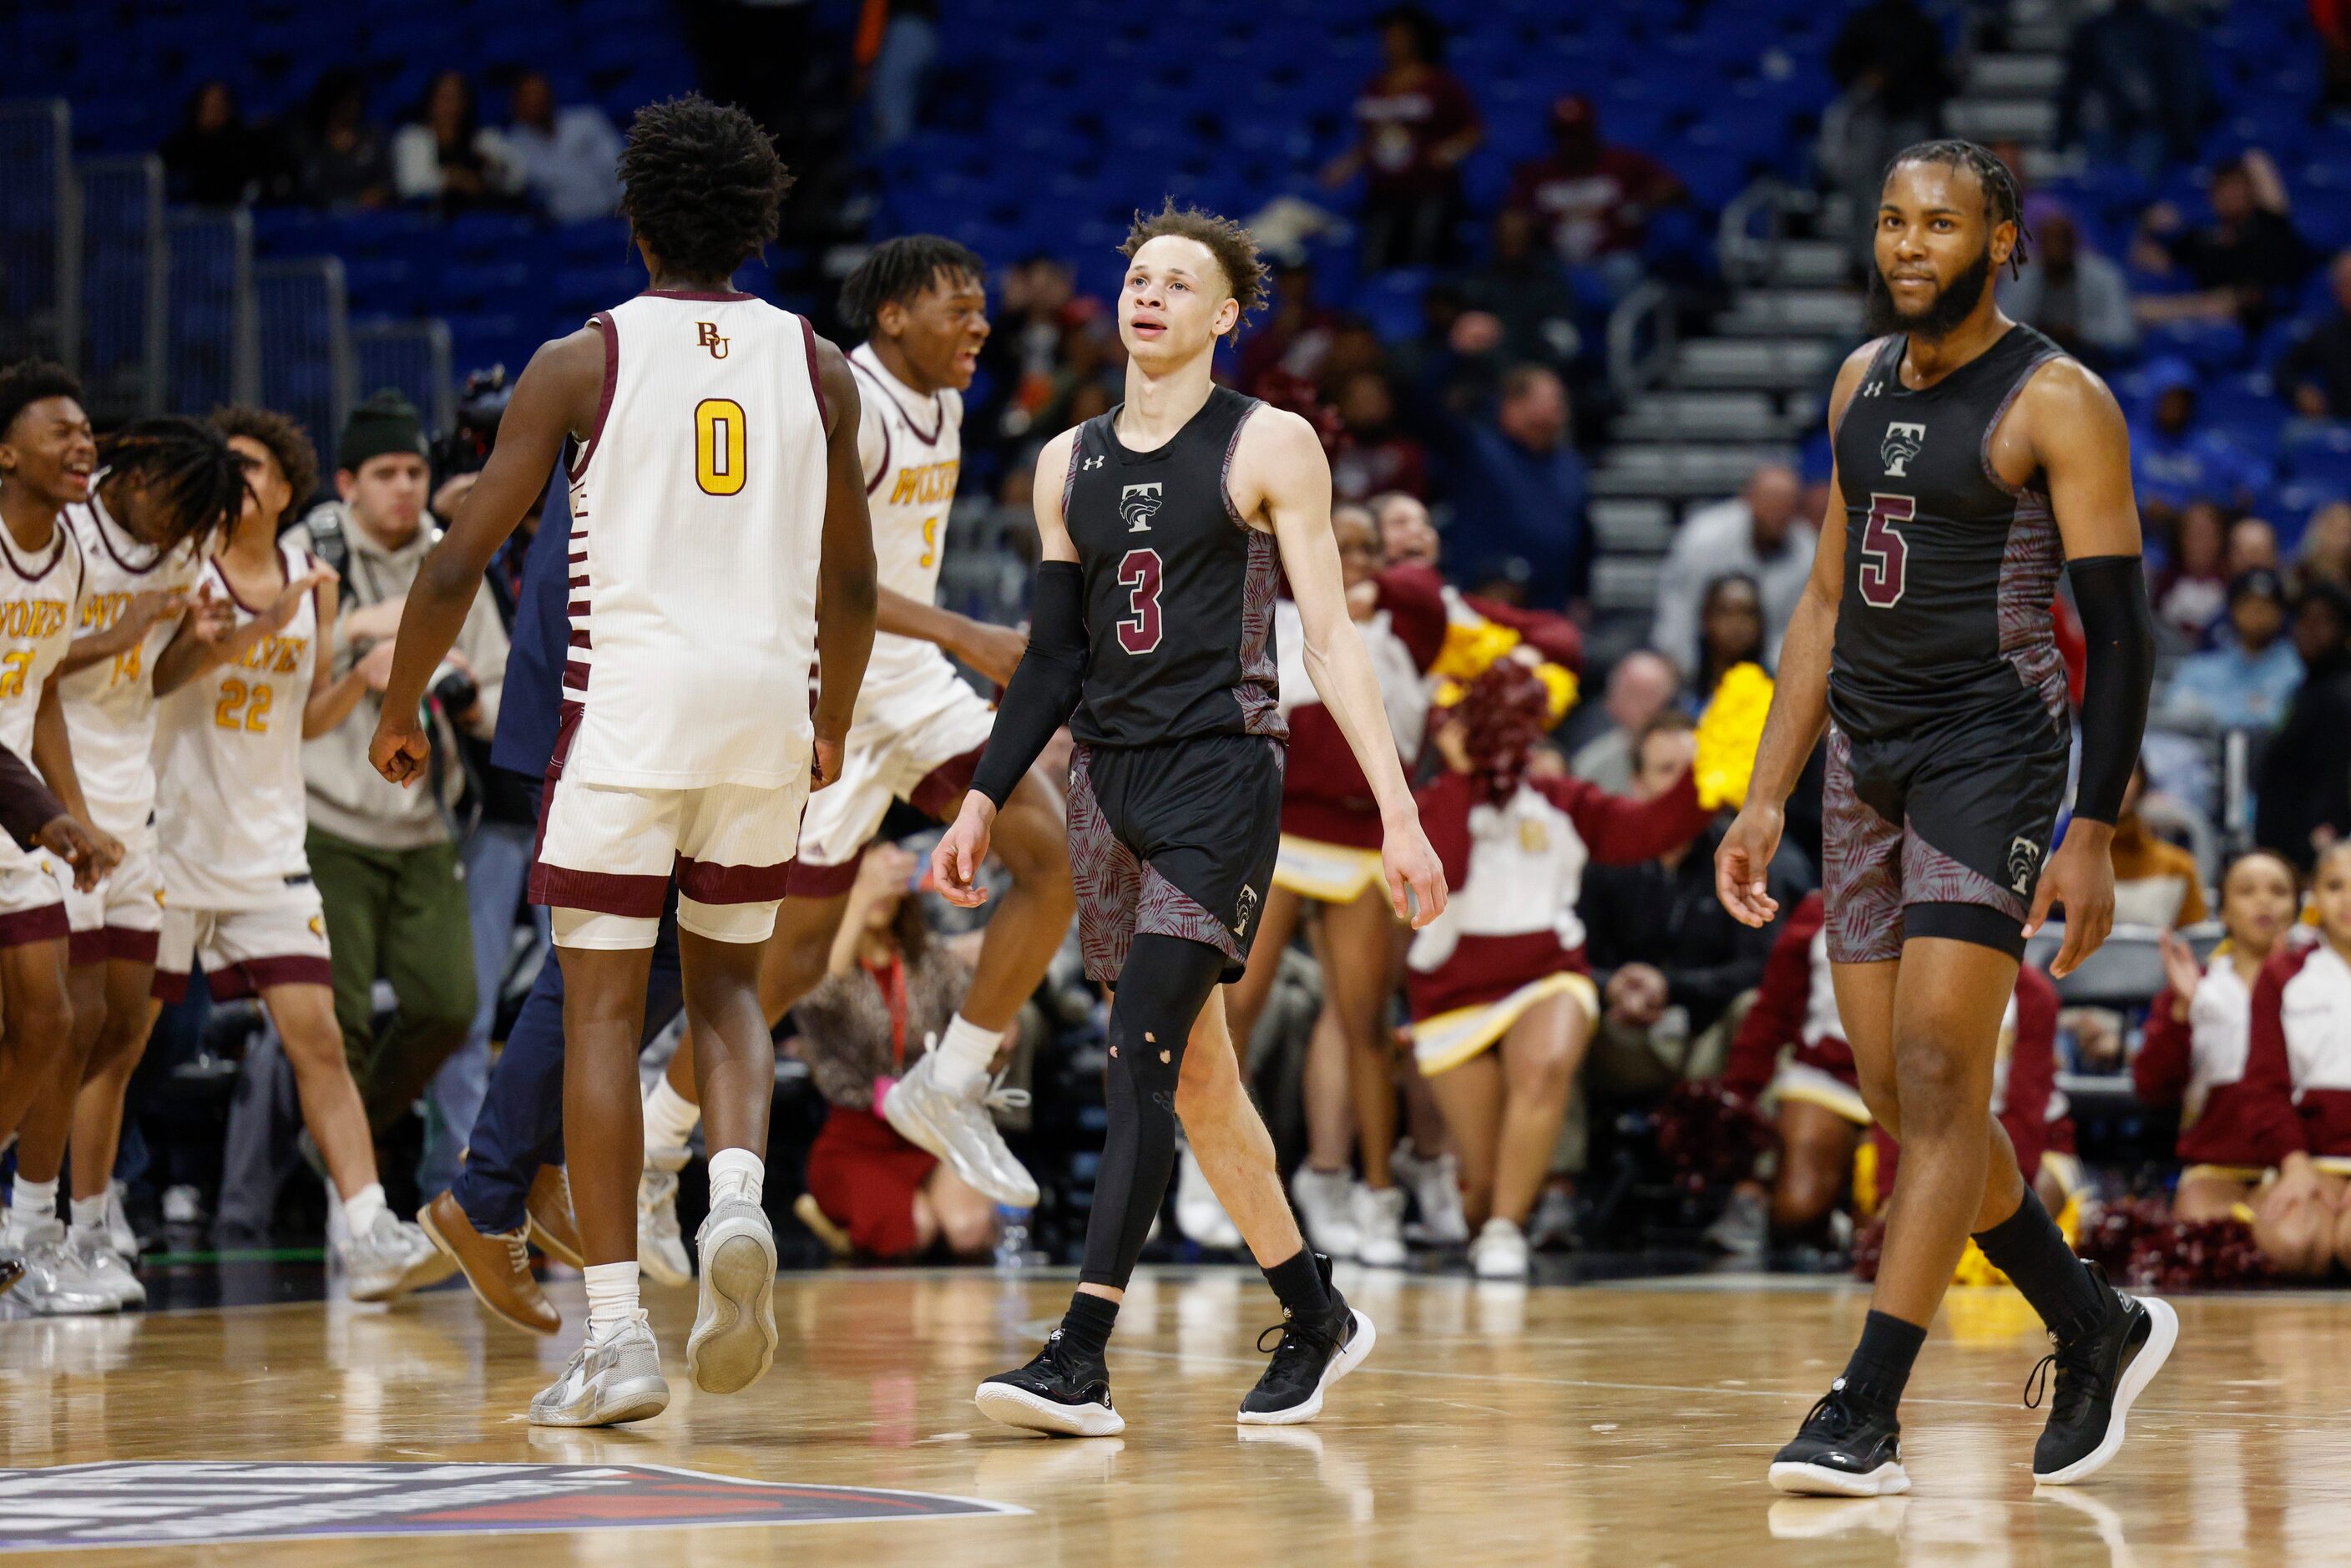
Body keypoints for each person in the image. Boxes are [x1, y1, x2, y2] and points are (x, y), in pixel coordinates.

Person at [370, 94, 877, 1426]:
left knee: (599, 1016)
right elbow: (859, 584)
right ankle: (739, 1210)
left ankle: (616, 1341)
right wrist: (832, 718)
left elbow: (456, 557)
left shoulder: (578, 360)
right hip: (768, 713)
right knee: (723, 996)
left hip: (632, 714)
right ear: (758, 224)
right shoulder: (823, 367)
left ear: (637, 217)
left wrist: (401, 702)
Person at [933, 200, 1445, 1436]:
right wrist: (981, 795)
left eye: (1178, 283)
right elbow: (1052, 663)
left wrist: (1399, 812)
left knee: (1141, 1056)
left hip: (1223, 774)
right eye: (1137, 277)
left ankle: (1082, 1353)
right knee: (1205, 1087)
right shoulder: (1066, 462)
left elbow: (1328, 636)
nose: (1147, 294)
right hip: (1109, 785)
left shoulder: (1272, 442)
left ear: (1224, 316)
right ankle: (1318, 1315)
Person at [1716, 140, 2170, 1496]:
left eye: (1941, 224)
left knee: (1935, 1072)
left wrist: (2091, 827)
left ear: (2001, 242)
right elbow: (1819, 605)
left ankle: (1865, 1407)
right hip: (1862, 757)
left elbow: (2122, 636)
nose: (1910, 244)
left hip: (1992, 755)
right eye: (1892, 221)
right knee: (1900, 1103)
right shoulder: (1858, 379)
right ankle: (2092, 1322)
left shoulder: (2059, 400)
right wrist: (1761, 792)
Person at [629, 236, 1069, 1276]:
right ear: (890, 321)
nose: (979, 325)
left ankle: (949, 1079)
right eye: (956, 308)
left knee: (1054, 852)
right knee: (780, 971)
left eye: (978, 306)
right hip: (823, 689)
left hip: (905, 687)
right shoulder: (851, 407)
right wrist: (967, 632)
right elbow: (815, 573)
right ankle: (652, 1153)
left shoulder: (949, 407)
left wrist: (946, 647)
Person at [149, 403, 446, 1304]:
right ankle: (71, 1221)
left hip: (268, 845)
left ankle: (365, 1230)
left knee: (316, 1038)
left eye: (251, 466)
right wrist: (257, 619)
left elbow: (303, 714)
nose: (236, 478)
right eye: (221, 465)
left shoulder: (312, 585)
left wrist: (358, 680)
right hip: (168, 840)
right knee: (116, 1046)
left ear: (286, 486)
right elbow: (162, 683)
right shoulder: (180, 570)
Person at [30, 412, 252, 1312]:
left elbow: (151, 681)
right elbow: (34, 667)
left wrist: (200, 641)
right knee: (65, 1026)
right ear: (138, 467)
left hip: (134, 806)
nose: (178, 530)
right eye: (173, 503)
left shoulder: (179, 551)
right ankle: (30, 1231)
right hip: (58, 800)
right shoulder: (65, 531)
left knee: (125, 1031)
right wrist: (125, 632)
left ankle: (89, 1230)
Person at [1409, 663, 1716, 1278]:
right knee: (1483, 1184)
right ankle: (1485, 1215)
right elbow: (1450, 876)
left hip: (1546, 975)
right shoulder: (1429, 803)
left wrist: (1716, 774)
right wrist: (1461, 775)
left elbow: (1651, 828)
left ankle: (1505, 1229)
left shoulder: (1564, 802)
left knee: (1547, 1065)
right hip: (1451, 993)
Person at [1220, 500, 1448, 1267]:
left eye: (1366, 546)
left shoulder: (1406, 627)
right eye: (1338, 543)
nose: (1354, 557)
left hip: (1361, 842)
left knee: (1364, 1024)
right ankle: (1207, 1174)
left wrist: (1406, 566)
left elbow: (1536, 635)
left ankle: (1374, 1194)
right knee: (1236, 1005)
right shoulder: (1269, 617)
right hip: (1279, 832)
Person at [0, 367, 174, 1310]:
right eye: (59, 431)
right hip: (13, 801)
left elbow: (44, 694)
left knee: (52, 1026)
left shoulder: (66, 554)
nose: (82, 445)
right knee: (44, 1022)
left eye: (87, 432)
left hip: (16, 807)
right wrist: (51, 812)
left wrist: (74, 817)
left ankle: (21, 1239)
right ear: (5, 452)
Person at [302, 392, 504, 1148]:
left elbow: (500, 687)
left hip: (425, 825)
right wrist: (358, 637)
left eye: (416, 470)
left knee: (450, 1010)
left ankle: (333, 1158)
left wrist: (452, 685)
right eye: (385, 472)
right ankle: (346, 1204)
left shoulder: (454, 558)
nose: (405, 487)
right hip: (330, 823)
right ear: (347, 482)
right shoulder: (310, 557)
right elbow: (278, 684)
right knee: (338, 1023)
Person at [1716, 893, 2064, 1249]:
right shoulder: (1824, 912)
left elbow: (2020, 1105)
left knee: (2020, 1220)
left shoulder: (2023, 988)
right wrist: (1734, 1108)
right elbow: (1771, 1014)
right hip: (1836, 1080)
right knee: (1802, 1207)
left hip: (1955, 1105)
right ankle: (1814, 1213)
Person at [793, 843, 1004, 1262]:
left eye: (888, 884)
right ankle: (840, 1221)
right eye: (865, 883)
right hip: (857, 1139)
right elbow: (819, 995)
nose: (880, 896)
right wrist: (859, 899)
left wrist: (1000, 1026)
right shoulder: (819, 963)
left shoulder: (930, 959)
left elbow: (976, 1019)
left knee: (971, 1230)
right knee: (912, 1230)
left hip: (932, 1129)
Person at [2132, 850, 2298, 1233]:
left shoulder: (2319, 984)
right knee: (2205, 1237)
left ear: (2297, 907)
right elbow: (2151, 1087)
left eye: (2278, 890)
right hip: (2216, 1166)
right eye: (2246, 891)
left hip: (2302, 1161)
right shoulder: (2197, 986)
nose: (2264, 901)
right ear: (2222, 912)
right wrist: (2181, 1012)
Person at [2205, 842, 2351, 1276]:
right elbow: (2264, 1086)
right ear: (2313, 898)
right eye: (2335, 886)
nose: (2347, 900)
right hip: (2312, 1157)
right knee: (2292, 1241)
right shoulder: (2283, 975)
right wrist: (2295, 1164)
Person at [1318, 5, 1480, 271]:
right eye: (1386, 37)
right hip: (1382, 193)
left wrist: (1451, 150)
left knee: (1423, 260)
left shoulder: (1439, 84)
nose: (1390, 43)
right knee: (1373, 263)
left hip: (1429, 191)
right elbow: (1369, 138)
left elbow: (1473, 130)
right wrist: (1348, 163)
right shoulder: (1375, 86)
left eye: (1397, 36)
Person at [1429, 364, 1590, 611]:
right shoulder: (1477, 449)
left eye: (1560, 399)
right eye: (1550, 398)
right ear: (1512, 404)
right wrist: (1458, 356)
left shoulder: (1570, 463)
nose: (1560, 406)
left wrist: (1580, 591)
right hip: (1487, 599)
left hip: (1552, 603)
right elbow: (1428, 412)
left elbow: (1583, 533)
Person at [1652, 465, 1815, 680]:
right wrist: (1684, 670)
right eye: (1771, 498)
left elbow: (1797, 631)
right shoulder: (1704, 538)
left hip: (1771, 671)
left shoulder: (1808, 552)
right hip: (1696, 664)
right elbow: (1679, 607)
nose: (1778, 510)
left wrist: (1773, 679)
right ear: (1747, 498)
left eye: (1788, 502)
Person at [1504, 95, 1682, 291]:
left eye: (1577, 134)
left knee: (1623, 269)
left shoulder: (1622, 164)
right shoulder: (1538, 173)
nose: (1571, 142)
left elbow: (1673, 189)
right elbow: (1515, 214)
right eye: (1563, 135)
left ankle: (1623, 323)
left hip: (1611, 257)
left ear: (1591, 132)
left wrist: (1646, 202)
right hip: (1555, 261)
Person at [2132, 151, 2315, 334]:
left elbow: (2246, 298)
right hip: (2197, 316)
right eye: (2222, 188)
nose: (2229, 195)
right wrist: (2146, 227)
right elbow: (2149, 259)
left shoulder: (2268, 232)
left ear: (2251, 192)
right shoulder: (2200, 237)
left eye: (2236, 187)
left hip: (2246, 324)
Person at [2055, 0, 2209, 180]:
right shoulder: (2093, 30)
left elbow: (2181, 83)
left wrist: (2184, 134)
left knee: (2140, 192)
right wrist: (2062, 133)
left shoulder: (2164, 30)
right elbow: (2075, 83)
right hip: (2104, 129)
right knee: (2102, 191)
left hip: (2148, 127)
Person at [2256, 580, 2351, 871]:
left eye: (2324, 621)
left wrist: (2330, 830)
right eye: (2304, 620)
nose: (2310, 631)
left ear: (2345, 632)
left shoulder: (2341, 695)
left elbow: (2338, 772)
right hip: (2286, 843)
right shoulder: (2307, 688)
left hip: (2317, 849)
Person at [2159, 568, 2302, 732]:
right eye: (2248, 604)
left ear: (2280, 613)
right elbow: (2175, 709)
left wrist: (2211, 713)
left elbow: (2277, 719)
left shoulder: (2297, 668)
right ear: (2232, 611)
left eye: (2266, 605)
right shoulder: (2203, 666)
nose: (2256, 613)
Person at [1998, 209, 2136, 367]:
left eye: (2062, 239)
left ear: (2074, 241)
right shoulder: (2021, 278)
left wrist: (2078, 333)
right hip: (2034, 362)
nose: (2056, 247)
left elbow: (2123, 335)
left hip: (2094, 362)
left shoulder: (2104, 275)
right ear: (2040, 244)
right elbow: (2002, 332)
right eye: (2049, 240)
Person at [503, 71, 624, 224]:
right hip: (561, 230)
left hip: (610, 217)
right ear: (517, 104)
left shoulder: (587, 122)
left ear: (550, 95)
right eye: (528, 97)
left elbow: (617, 166)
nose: (536, 101)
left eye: (539, 94)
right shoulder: (512, 145)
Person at [392, 69, 520, 210]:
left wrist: (494, 167)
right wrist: (454, 178)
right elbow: (411, 185)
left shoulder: (485, 138)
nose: (450, 106)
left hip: (483, 215)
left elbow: (516, 182)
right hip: (434, 219)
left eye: (457, 98)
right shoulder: (413, 137)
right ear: (430, 101)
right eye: (444, 98)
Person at [1567, 650, 1679, 794]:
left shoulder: (1683, 749)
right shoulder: (1589, 755)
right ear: (1612, 696)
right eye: (1634, 694)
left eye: (1651, 696)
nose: (1642, 706)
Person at [292, 68, 393, 210]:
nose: (353, 106)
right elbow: (311, 189)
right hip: (325, 219)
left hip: (372, 218)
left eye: (356, 99)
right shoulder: (310, 141)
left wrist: (379, 194)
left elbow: (388, 181)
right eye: (347, 100)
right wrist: (351, 202)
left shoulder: (373, 137)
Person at [161, 81, 272, 206]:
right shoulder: (179, 146)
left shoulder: (246, 145)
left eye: (219, 105)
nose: (214, 111)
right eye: (208, 106)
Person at [2278, 250, 2351, 420]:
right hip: (2339, 425)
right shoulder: (2328, 333)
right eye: (2348, 284)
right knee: (2297, 435)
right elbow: (2284, 368)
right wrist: (2301, 391)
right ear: (2337, 291)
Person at [2151, 498, 2227, 646]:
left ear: (2220, 538)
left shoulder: (2231, 583)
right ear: (2181, 538)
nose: (2199, 543)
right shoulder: (2163, 582)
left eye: (2205, 534)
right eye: (2192, 534)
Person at [1689, 574, 1768, 705]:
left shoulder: (1779, 693)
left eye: (1747, 613)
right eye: (1725, 612)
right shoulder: (1684, 696)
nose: (1737, 623)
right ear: (1706, 619)